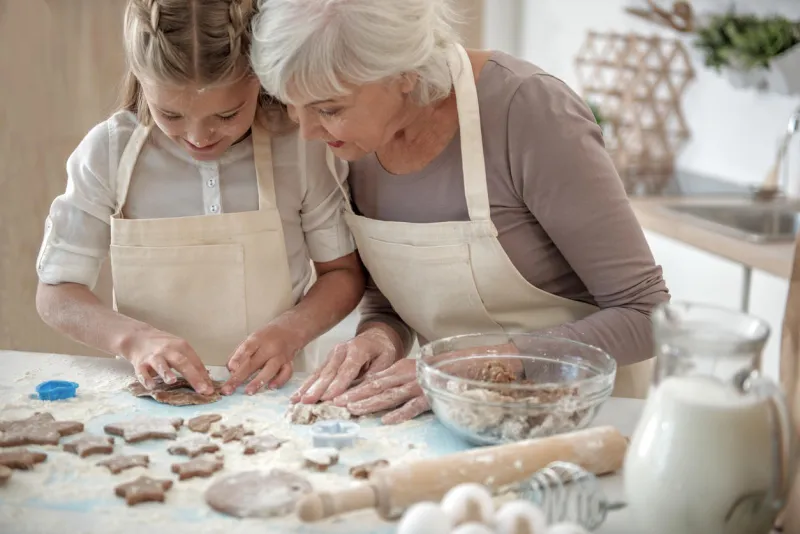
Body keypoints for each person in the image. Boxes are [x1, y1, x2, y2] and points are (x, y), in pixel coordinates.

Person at [251, 0, 670, 424]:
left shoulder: (528, 110)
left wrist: (486, 364)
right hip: (461, 418)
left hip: (587, 417)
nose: (306, 132)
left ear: (403, 73)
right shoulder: (352, 143)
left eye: (328, 109)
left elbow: (647, 314)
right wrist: (380, 336)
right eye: (291, 104)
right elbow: (397, 300)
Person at [35, 0, 364, 398]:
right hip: (152, 403)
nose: (199, 137)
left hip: (276, 398)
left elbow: (341, 274)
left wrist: (292, 330)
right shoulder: (109, 154)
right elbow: (56, 293)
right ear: (141, 80)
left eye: (226, 115)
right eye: (171, 115)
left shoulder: (297, 149)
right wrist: (134, 340)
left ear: (260, 78)